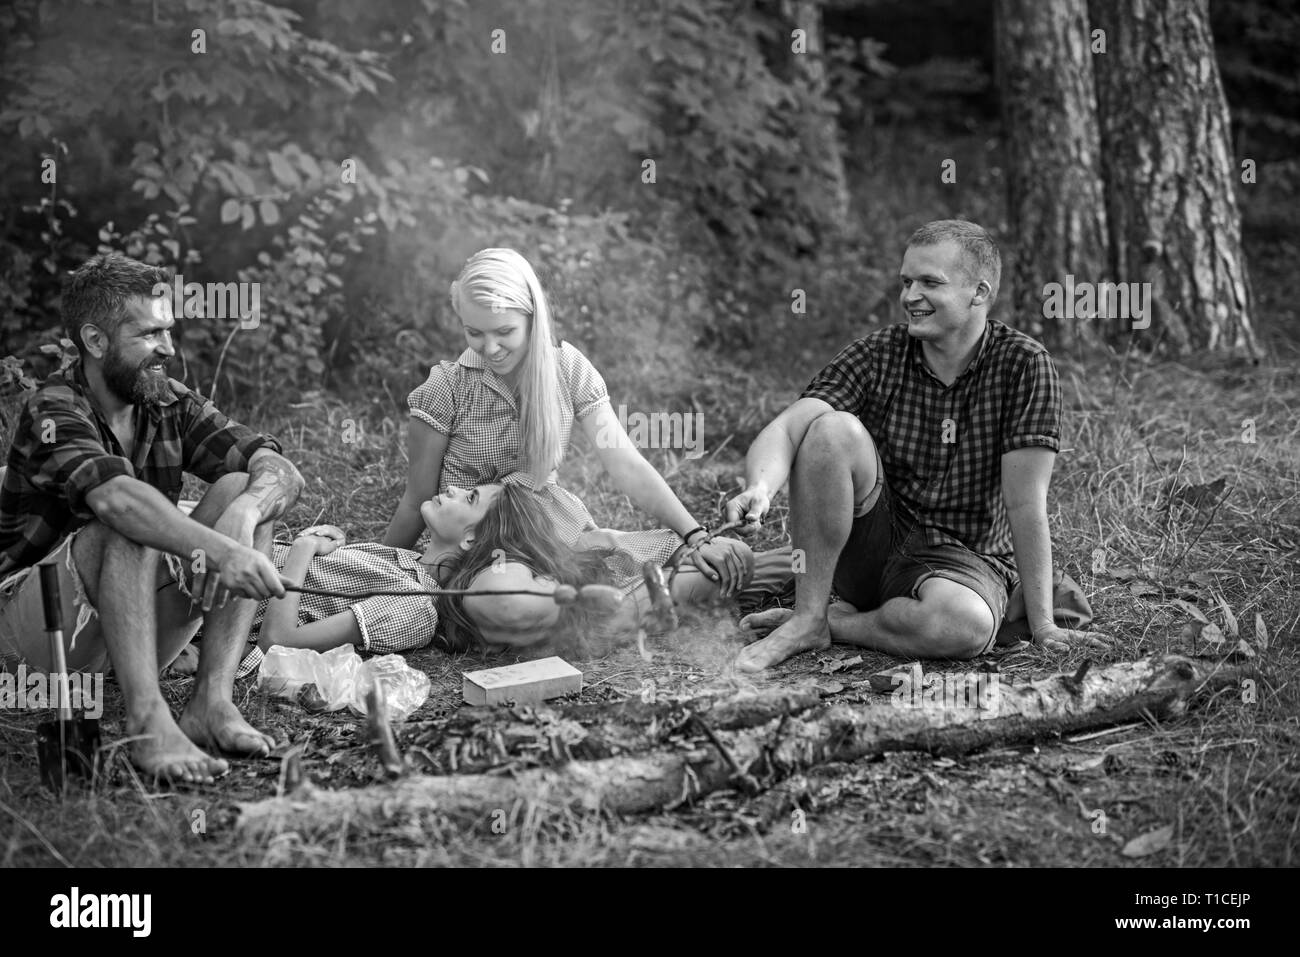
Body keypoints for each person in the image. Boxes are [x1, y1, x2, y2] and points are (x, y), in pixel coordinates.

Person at [725, 220, 1109, 672]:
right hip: (873, 546)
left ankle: (835, 625)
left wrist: (1043, 625)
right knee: (830, 429)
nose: (910, 296)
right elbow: (789, 428)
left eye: (930, 283)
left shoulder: (1024, 366)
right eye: (907, 282)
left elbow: (1026, 504)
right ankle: (808, 617)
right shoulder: (878, 353)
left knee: (964, 625)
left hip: (966, 560)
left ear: (979, 292)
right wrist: (761, 488)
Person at [0, 252, 304, 782]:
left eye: (169, 330)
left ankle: (211, 702)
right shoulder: (53, 407)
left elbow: (278, 467)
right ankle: (146, 724)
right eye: (149, 334)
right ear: (96, 342)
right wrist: (217, 550)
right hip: (36, 640)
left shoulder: (165, 400)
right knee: (129, 515)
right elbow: (118, 502)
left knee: (237, 487)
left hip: (127, 629)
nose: (168, 348)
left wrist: (245, 514)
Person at [383, 247, 751, 596]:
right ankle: (638, 604)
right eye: (474, 333)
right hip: (477, 551)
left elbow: (624, 463)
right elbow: (417, 501)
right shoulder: (447, 388)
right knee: (519, 596)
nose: (490, 348)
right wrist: (381, 570)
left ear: (532, 317)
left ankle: (783, 579)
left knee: (688, 556)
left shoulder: (568, 370)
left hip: (556, 537)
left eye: (505, 331)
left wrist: (694, 535)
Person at [218, 482, 742, 674]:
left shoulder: (415, 604)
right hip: (230, 560)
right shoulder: (407, 560)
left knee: (239, 489)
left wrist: (303, 549)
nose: (452, 489)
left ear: (471, 541)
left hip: (223, 593)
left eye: (468, 499)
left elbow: (280, 641)